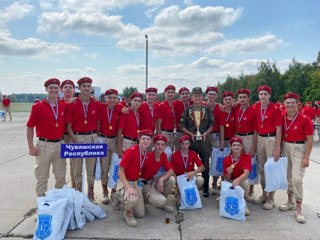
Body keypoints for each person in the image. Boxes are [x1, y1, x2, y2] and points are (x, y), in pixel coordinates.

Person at [26, 78, 66, 197]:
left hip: (60, 144)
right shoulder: (38, 107)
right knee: (42, 177)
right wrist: (31, 147)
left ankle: (58, 202)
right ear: (46, 89)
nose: (54, 90)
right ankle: (42, 204)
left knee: (61, 177)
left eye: (56, 88)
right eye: (51, 88)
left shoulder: (63, 106)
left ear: (59, 89)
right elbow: (29, 127)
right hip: (44, 145)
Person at [279, 92, 314, 224]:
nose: (290, 105)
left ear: (297, 104)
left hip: (299, 148)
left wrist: (306, 157)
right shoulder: (282, 117)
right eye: (287, 103)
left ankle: (298, 207)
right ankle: (290, 202)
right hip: (285, 146)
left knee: (297, 179)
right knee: (288, 177)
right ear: (284, 105)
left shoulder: (305, 119)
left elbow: (310, 140)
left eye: (292, 102)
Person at [66, 77, 101, 202]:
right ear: (79, 88)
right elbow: (68, 126)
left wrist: (95, 137)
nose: (86, 88)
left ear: (91, 88)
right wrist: (75, 140)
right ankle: (78, 194)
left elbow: (98, 123)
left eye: (88, 86)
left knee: (90, 169)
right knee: (77, 169)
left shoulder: (96, 103)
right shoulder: (72, 104)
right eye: (84, 86)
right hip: (77, 138)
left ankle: (90, 193)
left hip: (91, 137)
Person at [180, 87, 214, 197]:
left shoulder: (207, 110)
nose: (198, 97)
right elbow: (182, 126)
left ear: (202, 96)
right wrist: (191, 134)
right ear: (192, 97)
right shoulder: (187, 111)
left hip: (204, 142)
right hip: (190, 141)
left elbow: (211, 125)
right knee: (186, 163)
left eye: (199, 95)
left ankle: (205, 188)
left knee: (205, 165)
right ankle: (186, 185)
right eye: (195, 95)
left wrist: (204, 134)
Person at [115, 129, 154, 227]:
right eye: (143, 138)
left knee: (141, 214)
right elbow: (120, 171)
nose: (145, 141)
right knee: (132, 199)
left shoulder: (145, 153)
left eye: (148, 139)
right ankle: (127, 212)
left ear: (151, 141)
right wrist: (128, 187)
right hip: (125, 182)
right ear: (139, 139)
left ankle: (125, 200)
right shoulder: (131, 151)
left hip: (136, 182)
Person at [252, 85, 282, 210]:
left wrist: (277, 148)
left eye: (265, 94)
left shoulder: (275, 109)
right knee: (261, 167)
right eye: (261, 94)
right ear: (258, 96)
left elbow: (279, 130)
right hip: (260, 138)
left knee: (271, 168)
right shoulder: (255, 107)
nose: (263, 96)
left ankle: (271, 197)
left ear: (270, 95)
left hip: (271, 138)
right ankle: (264, 193)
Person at [99, 88, 123, 204]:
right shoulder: (101, 107)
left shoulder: (120, 109)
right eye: (110, 98)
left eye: (114, 98)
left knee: (115, 167)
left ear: (117, 99)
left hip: (114, 140)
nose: (112, 100)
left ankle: (114, 191)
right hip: (103, 140)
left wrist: (119, 148)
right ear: (106, 98)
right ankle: (104, 191)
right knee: (104, 167)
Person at [140, 135, 175, 213]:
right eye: (158, 144)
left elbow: (171, 171)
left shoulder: (163, 156)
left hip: (152, 181)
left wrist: (161, 180)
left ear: (165, 146)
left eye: (162, 145)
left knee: (171, 180)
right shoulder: (147, 156)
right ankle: (144, 199)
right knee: (141, 213)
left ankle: (162, 204)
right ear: (154, 145)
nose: (160, 147)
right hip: (142, 183)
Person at [223, 136, 251, 215]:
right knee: (221, 203)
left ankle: (244, 202)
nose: (236, 147)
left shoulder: (247, 157)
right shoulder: (226, 159)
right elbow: (226, 178)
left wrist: (238, 180)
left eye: (238, 145)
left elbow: (246, 173)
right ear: (231, 147)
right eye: (234, 145)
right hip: (230, 182)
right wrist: (228, 172)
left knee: (246, 182)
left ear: (242, 147)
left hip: (240, 181)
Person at [205, 86, 225, 195]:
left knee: (216, 159)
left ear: (216, 96)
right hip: (205, 136)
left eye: (213, 94)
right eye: (209, 94)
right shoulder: (203, 106)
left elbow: (222, 125)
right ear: (206, 95)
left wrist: (222, 140)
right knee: (205, 159)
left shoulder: (219, 108)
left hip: (216, 135)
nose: (211, 96)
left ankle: (215, 182)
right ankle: (206, 182)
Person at [60, 79, 76, 188]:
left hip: (74, 136)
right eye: (65, 87)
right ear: (62, 90)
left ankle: (74, 186)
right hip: (61, 136)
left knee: (74, 164)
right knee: (60, 165)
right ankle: (61, 187)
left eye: (70, 87)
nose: (68, 89)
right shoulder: (57, 103)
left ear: (74, 90)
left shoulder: (77, 103)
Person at [117, 92, 143, 157]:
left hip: (136, 142)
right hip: (127, 142)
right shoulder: (125, 112)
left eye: (139, 101)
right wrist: (119, 149)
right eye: (135, 100)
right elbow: (119, 132)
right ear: (131, 101)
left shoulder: (139, 114)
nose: (137, 103)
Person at [156, 85, 177, 152]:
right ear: (165, 94)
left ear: (174, 94)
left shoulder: (173, 106)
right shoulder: (162, 106)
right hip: (164, 132)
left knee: (170, 152)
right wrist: (159, 136)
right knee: (162, 153)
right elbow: (158, 124)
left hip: (171, 133)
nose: (170, 94)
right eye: (168, 92)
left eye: (172, 92)